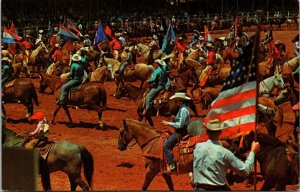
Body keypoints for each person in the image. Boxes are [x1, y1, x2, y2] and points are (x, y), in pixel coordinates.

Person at [192, 119, 261, 191]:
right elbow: (245, 171)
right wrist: (253, 151)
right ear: (220, 132)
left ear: (207, 132)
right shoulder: (224, 153)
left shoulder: (197, 147)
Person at [162, 92, 191, 173]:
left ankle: (172, 165)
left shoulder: (183, 110)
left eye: (176, 100)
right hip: (181, 130)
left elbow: (180, 125)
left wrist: (168, 123)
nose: (175, 102)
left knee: (166, 145)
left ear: (181, 101)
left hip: (181, 132)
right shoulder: (182, 109)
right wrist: (174, 118)